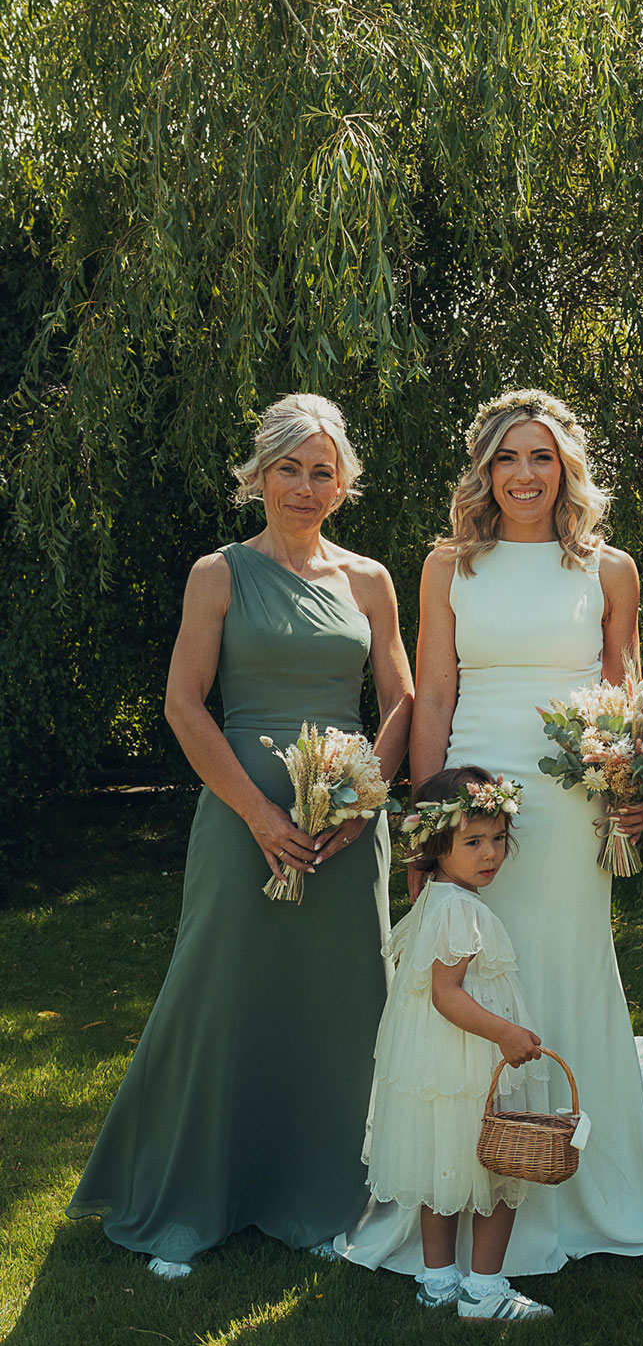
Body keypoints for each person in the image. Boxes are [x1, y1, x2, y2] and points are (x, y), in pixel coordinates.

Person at [340, 388, 643, 1275]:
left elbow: (624, 693)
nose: (524, 475)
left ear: (565, 467)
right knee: (472, 972)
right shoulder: (449, 565)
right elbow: (437, 693)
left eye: (540, 457)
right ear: (484, 471)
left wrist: (629, 787)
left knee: (563, 963)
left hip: (569, 800)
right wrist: (428, 817)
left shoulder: (609, 569)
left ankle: (576, 1180)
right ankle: (460, 1185)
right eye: (506, 458)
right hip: (475, 789)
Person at [68, 393, 414, 1276]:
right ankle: (190, 1201)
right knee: (218, 994)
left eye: (321, 471)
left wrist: (361, 803)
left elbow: (404, 701)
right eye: (288, 469)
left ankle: (331, 1196)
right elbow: (185, 703)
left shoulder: (369, 580)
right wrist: (257, 812)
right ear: (257, 476)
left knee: (343, 1004)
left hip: (344, 827)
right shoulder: (216, 573)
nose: (304, 487)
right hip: (239, 819)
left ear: (343, 485)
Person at [367, 767, 552, 1321]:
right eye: (473, 842)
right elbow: (446, 994)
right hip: (471, 1056)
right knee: (498, 1163)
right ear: (435, 845)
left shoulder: (439, 899)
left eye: (497, 839)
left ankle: (438, 1279)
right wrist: (506, 1034)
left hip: (441, 1061)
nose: (490, 853)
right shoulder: (458, 909)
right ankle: (484, 1289)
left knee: (442, 1160)